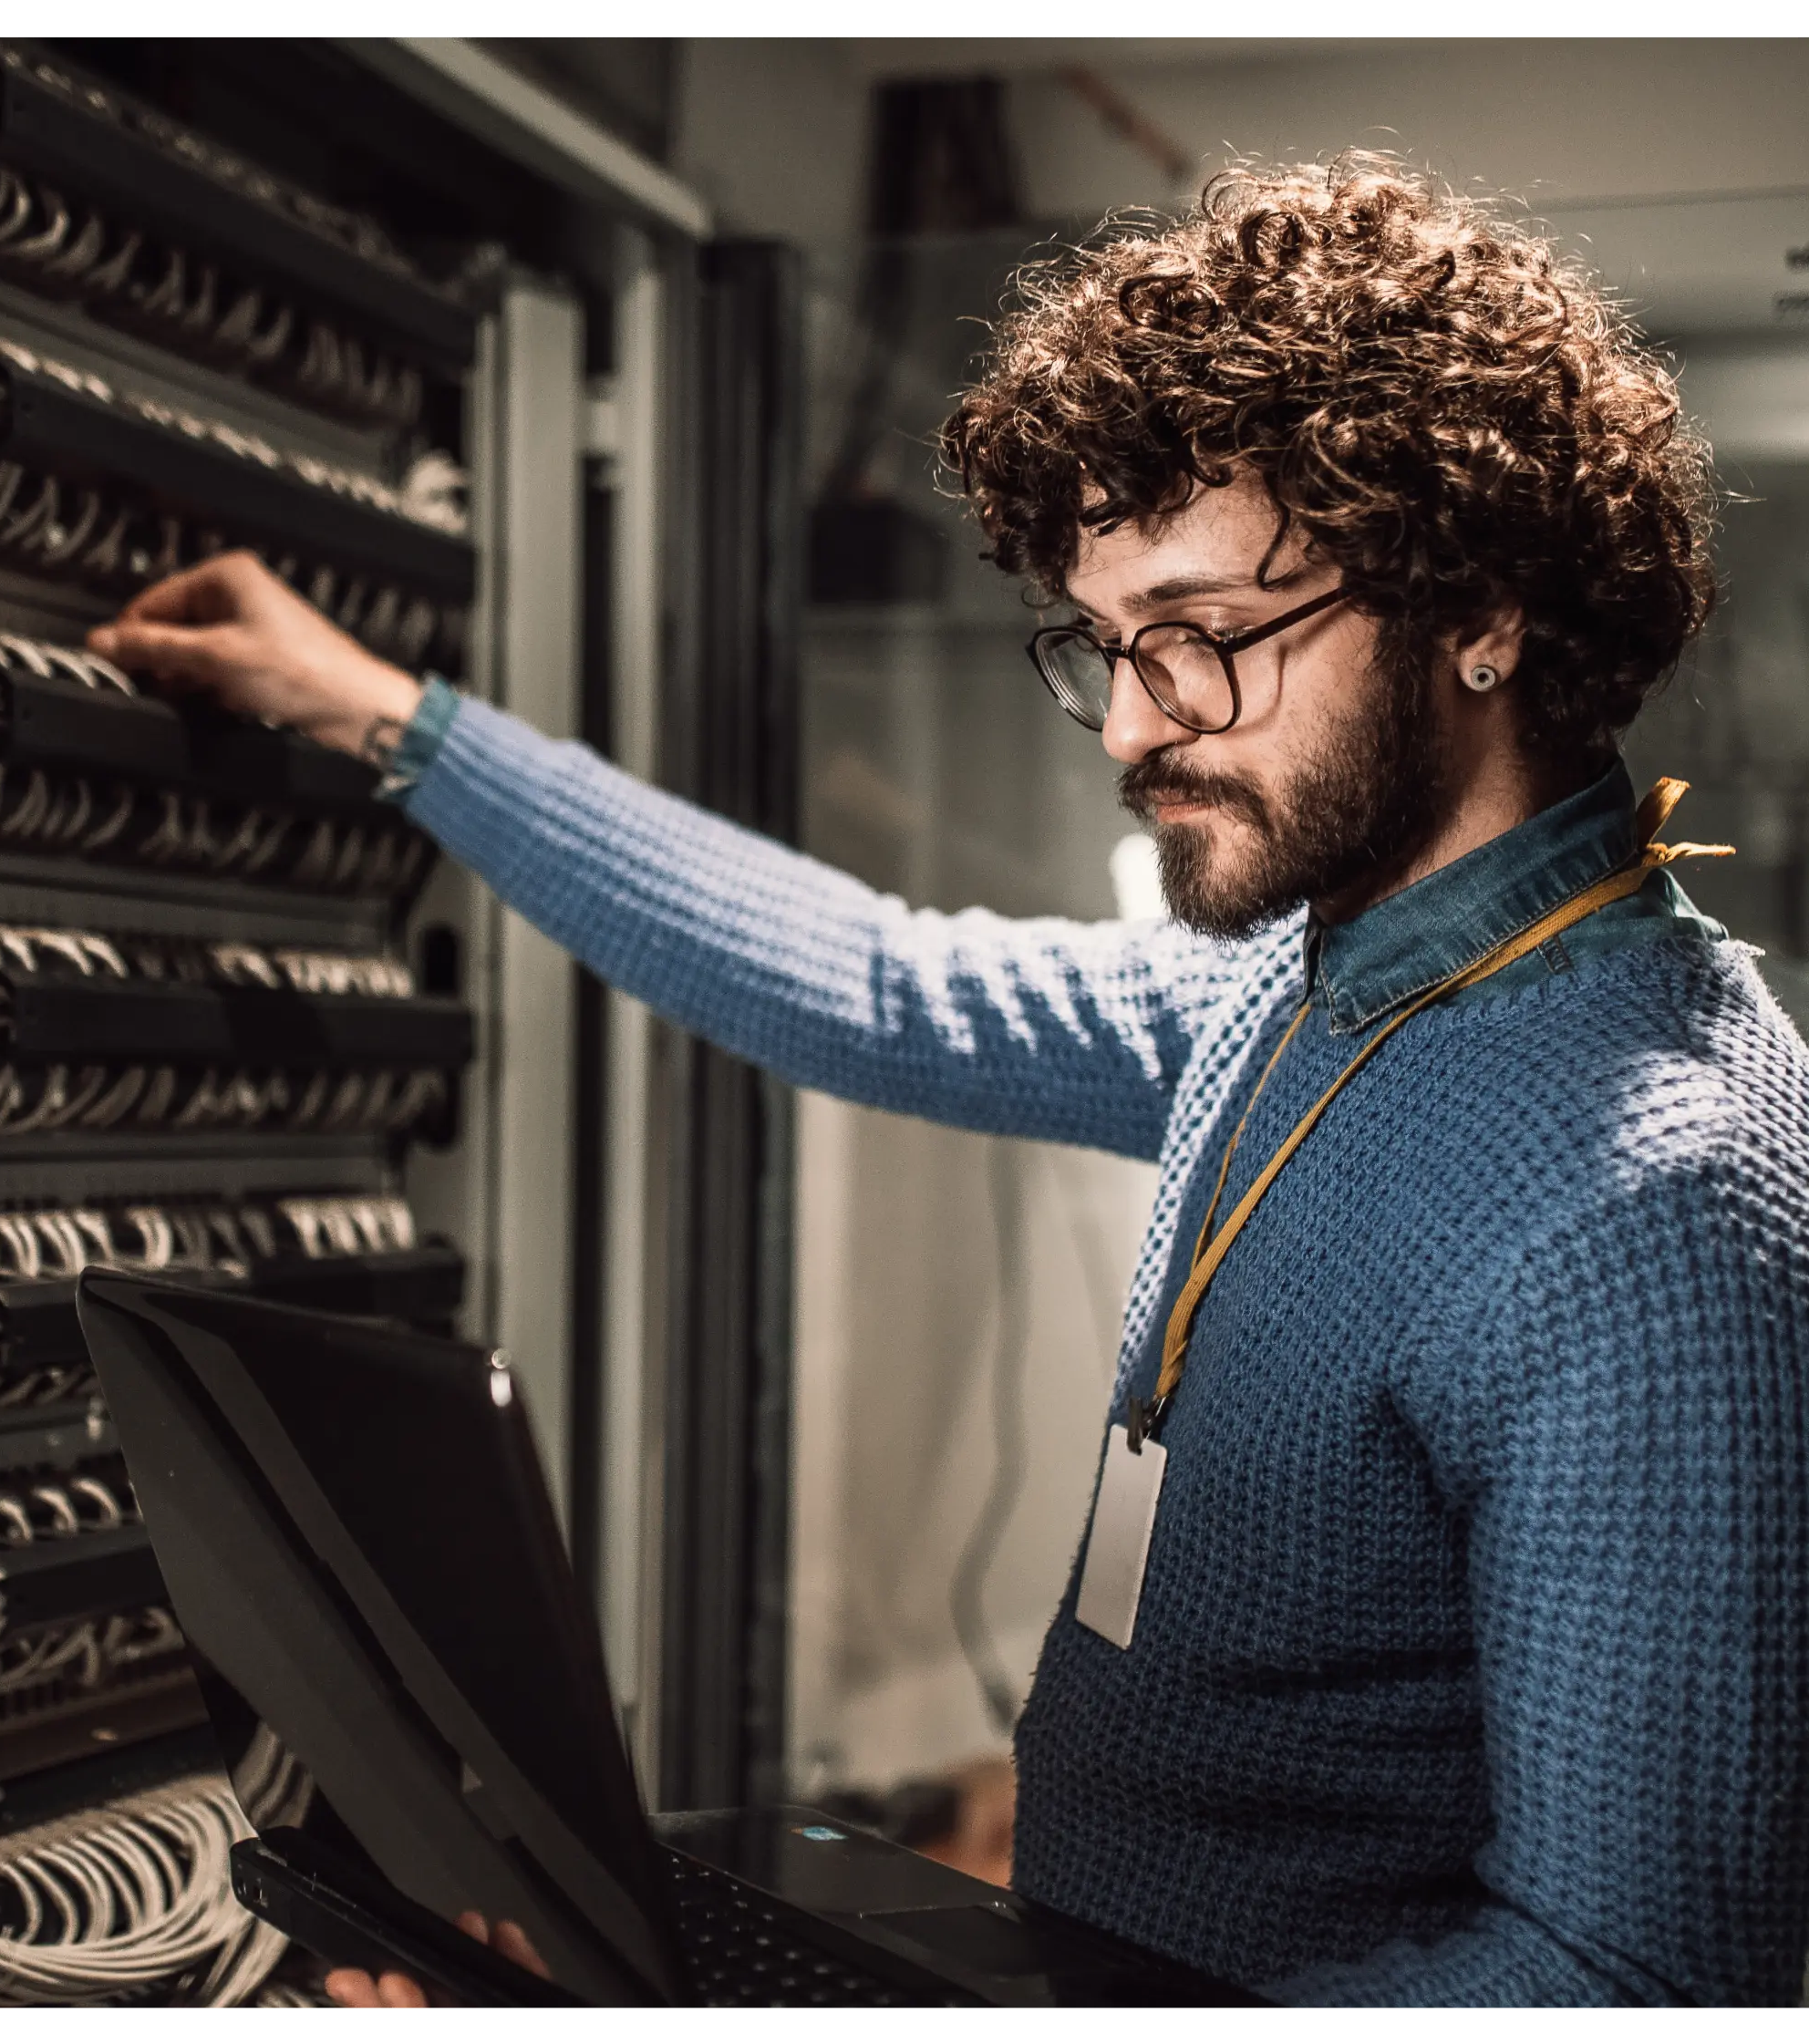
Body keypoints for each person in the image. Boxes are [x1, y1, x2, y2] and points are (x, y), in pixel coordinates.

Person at [89, 158, 1808, 2011]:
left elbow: (1627, 1973)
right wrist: (383, 714)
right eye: (1105, 642)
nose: (1140, 726)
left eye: (1209, 635)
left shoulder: (1652, 1204)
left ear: (1479, 609)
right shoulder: (1307, 985)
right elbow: (880, 982)